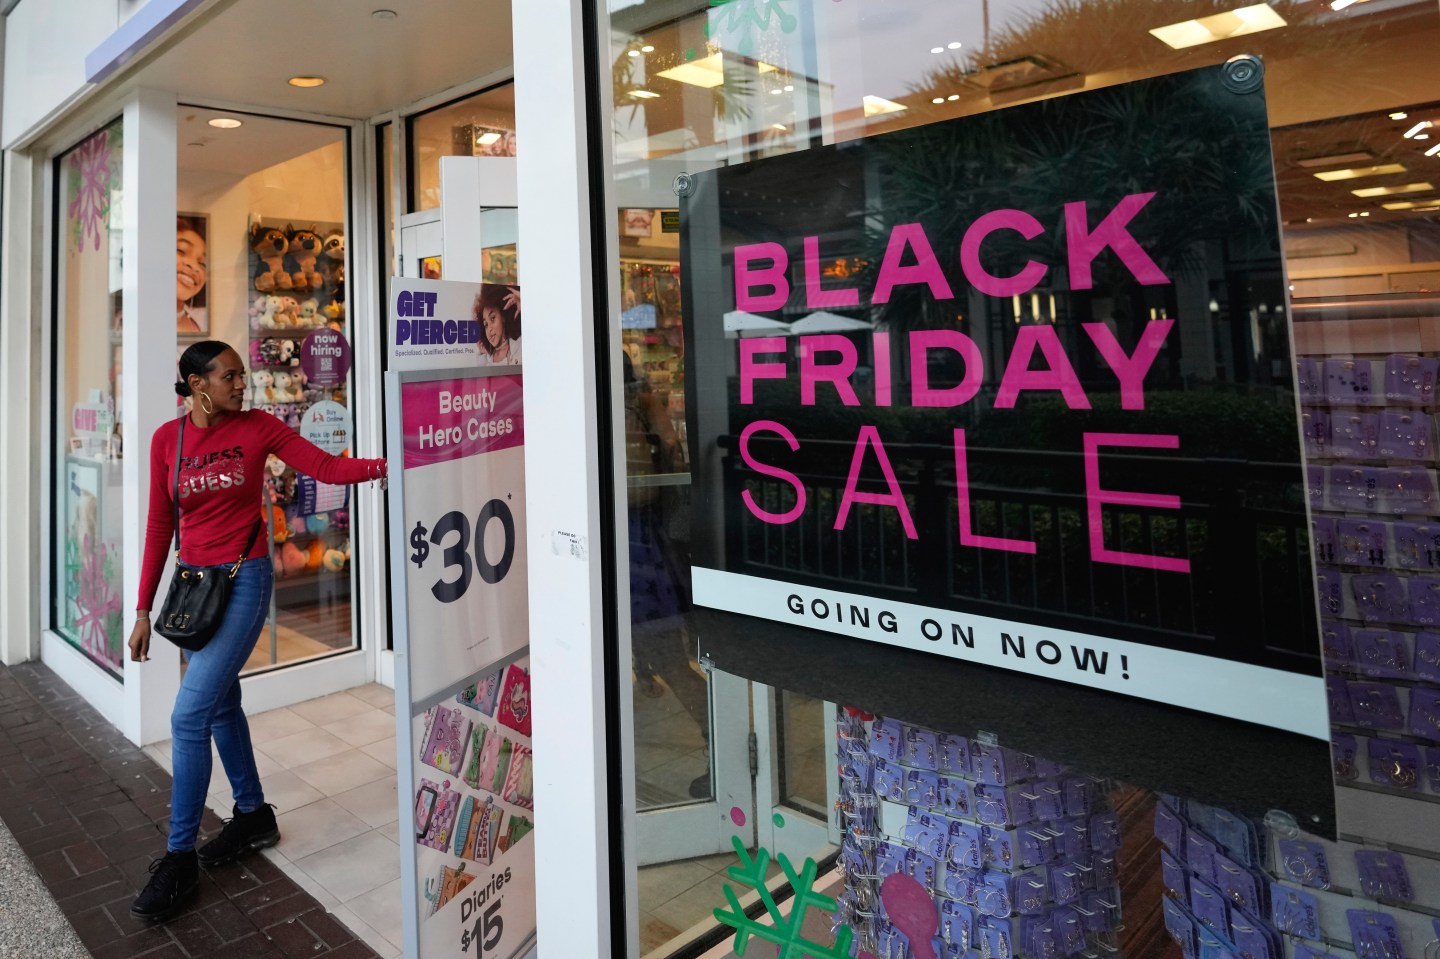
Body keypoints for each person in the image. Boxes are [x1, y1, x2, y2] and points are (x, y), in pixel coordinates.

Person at [126, 340, 387, 923]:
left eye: (244, 377)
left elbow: (325, 467)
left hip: (244, 582)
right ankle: (251, 817)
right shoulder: (167, 441)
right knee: (218, 707)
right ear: (197, 385)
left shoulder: (259, 427)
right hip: (195, 590)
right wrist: (141, 610)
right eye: (230, 378)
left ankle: (178, 859)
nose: (242, 386)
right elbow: (159, 523)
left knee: (188, 715)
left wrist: (384, 466)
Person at [475, 283, 522, 365]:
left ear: (503, 317)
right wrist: (482, 354)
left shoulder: (519, 346)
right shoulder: (485, 359)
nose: (489, 329)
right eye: (486, 324)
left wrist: (523, 303)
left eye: (492, 318)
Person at [176, 217, 208, 335]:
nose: (195, 267)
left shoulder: (204, 318)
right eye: (181, 250)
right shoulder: (120, 323)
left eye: (202, 263)